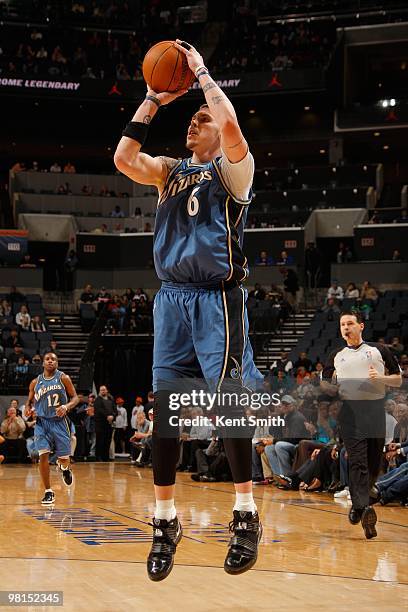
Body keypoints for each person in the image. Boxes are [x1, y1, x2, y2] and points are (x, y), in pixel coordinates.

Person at [114, 38, 263, 581]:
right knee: (167, 413)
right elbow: (123, 158)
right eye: (191, 122)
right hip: (171, 299)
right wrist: (152, 99)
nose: (192, 127)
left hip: (217, 297)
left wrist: (199, 73)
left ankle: (245, 515)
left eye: (198, 121)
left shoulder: (232, 173)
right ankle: (164, 519)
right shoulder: (169, 172)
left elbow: (230, 126)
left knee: (227, 402)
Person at [322, 311, 402, 539]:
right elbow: (326, 386)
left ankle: (358, 506)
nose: (346, 327)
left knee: (373, 464)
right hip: (350, 413)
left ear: (361, 326)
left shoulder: (378, 350)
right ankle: (365, 507)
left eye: (350, 323)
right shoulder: (335, 355)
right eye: (342, 324)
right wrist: (333, 382)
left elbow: (397, 378)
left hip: (375, 411)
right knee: (357, 461)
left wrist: (381, 379)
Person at [24, 352, 79, 504]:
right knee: (43, 455)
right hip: (42, 423)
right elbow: (29, 402)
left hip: (60, 422)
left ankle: (65, 469)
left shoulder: (63, 378)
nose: (50, 361)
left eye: (53, 359)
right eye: (47, 359)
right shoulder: (35, 382)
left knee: (64, 459)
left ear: (57, 363)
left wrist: (66, 407)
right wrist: (27, 409)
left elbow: (75, 398)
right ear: (43, 363)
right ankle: (48, 491)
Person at [94, 385, 117, 461]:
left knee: (108, 441)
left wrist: (113, 416)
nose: (103, 391)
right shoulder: (97, 400)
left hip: (109, 424)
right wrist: (107, 416)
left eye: (104, 390)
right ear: (99, 391)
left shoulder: (111, 399)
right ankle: (99, 457)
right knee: (100, 440)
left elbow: (115, 410)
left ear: (107, 391)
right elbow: (99, 410)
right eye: (101, 390)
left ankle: (106, 457)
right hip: (100, 424)